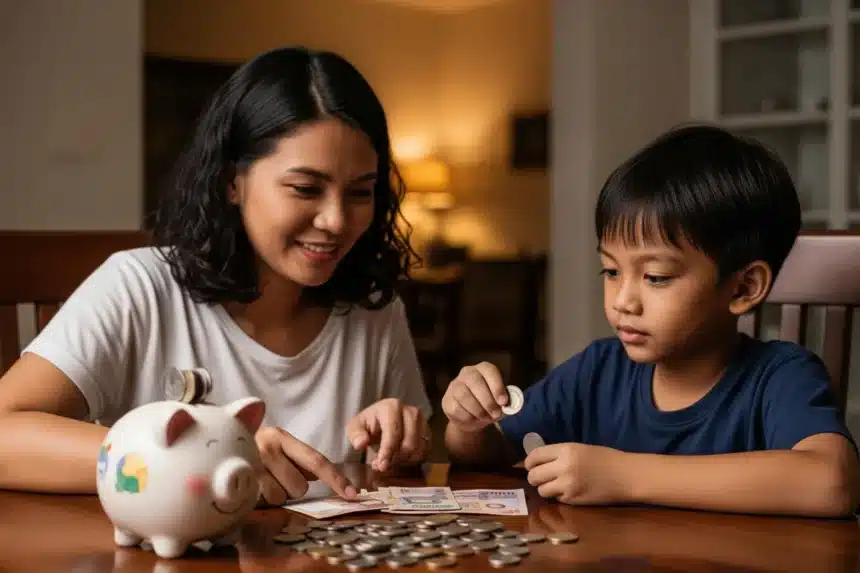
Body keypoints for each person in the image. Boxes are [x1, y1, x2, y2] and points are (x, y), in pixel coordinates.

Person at [0, 46, 433, 505]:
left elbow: (401, 481)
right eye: (306, 189)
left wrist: (402, 447)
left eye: (361, 192)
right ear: (232, 182)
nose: (336, 221)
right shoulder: (139, 287)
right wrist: (208, 456)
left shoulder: (375, 309)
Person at [442, 124, 860, 518]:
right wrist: (468, 423)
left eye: (656, 277)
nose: (623, 300)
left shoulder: (781, 376)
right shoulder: (597, 371)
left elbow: (831, 483)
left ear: (743, 288)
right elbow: (488, 453)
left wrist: (621, 476)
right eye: (611, 271)